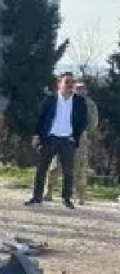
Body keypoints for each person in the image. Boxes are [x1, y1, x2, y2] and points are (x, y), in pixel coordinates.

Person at [26, 72, 89, 209]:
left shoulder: (79, 101)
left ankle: (66, 199)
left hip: (68, 140)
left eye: (71, 82)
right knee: (42, 169)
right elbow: (40, 118)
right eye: (66, 82)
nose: (69, 85)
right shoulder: (50, 99)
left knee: (68, 171)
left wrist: (75, 136)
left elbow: (84, 121)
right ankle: (37, 197)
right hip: (50, 138)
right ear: (59, 84)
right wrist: (36, 135)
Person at [47, 80, 99, 205]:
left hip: (80, 138)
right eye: (77, 88)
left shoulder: (89, 104)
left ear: (86, 90)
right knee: (56, 165)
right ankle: (48, 192)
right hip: (63, 135)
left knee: (79, 167)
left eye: (82, 88)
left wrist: (82, 131)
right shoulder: (67, 100)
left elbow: (93, 122)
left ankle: (80, 196)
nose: (79, 90)